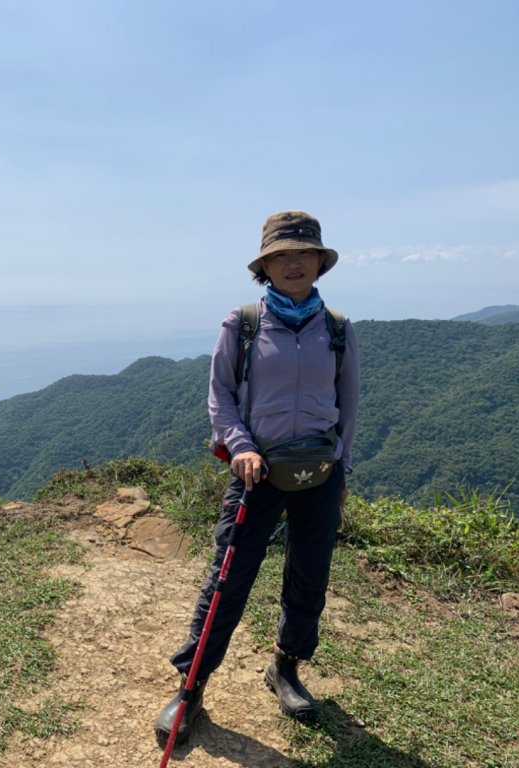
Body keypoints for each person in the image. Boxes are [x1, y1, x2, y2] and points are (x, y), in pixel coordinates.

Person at [154, 210, 360, 746]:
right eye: (281, 255)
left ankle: (286, 666)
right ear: (265, 266)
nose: (294, 263)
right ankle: (191, 685)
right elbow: (219, 394)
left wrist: (342, 467)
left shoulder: (337, 328)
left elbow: (348, 403)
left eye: (304, 253)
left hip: (320, 469)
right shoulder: (243, 323)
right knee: (228, 576)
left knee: (309, 574)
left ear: (320, 262)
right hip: (257, 470)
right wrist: (241, 447)